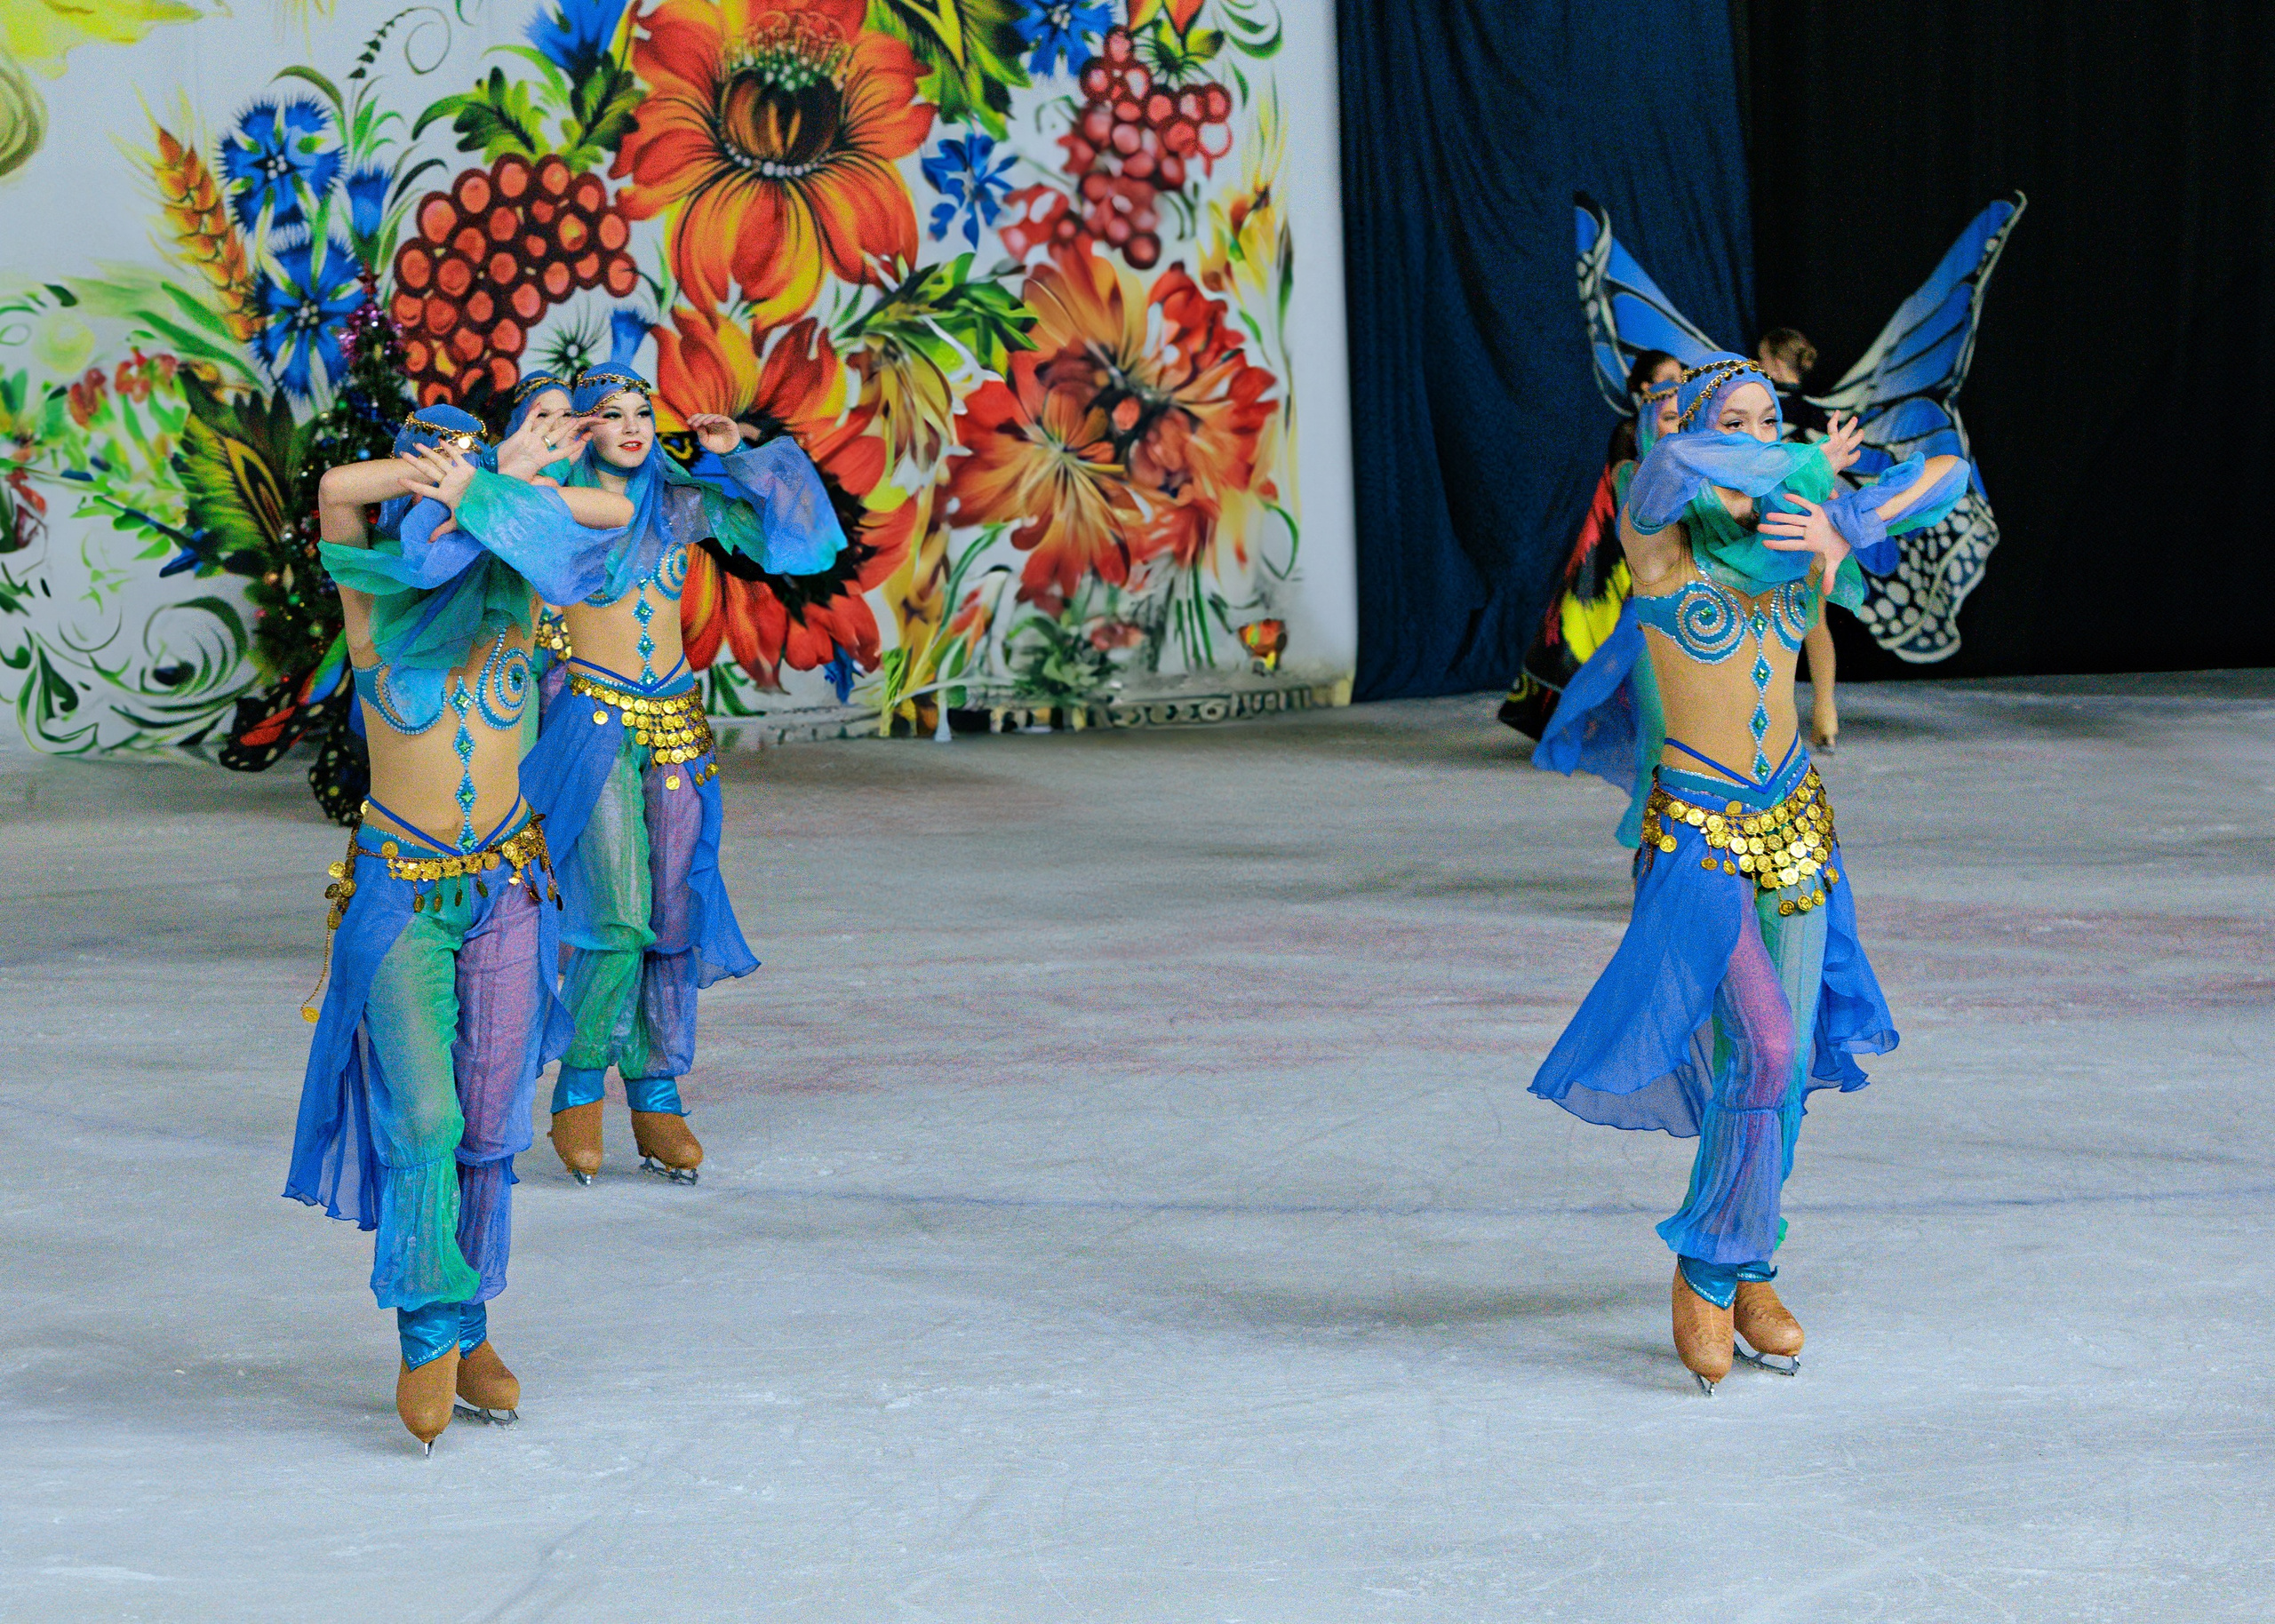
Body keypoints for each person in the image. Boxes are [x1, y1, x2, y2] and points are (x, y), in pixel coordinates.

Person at [1528, 353, 1967, 1393]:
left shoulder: (1793, 549)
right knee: (1762, 1045)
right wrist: (1796, 463)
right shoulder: (1663, 550)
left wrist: (1841, 525)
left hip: (1801, 831)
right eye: (1740, 420)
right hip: (1700, 841)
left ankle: (1749, 1260)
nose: (1757, 440)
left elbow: (1946, 471)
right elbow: (1675, 457)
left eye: (1770, 420)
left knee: (1789, 1060)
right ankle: (1703, 1267)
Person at [283, 404, 633, 1452]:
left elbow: (611, 507)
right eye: (444, 471)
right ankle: (429, 1325)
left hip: (506, 892)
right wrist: (436, 473)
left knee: (488, 1125)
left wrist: (501, 480)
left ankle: (471, 1319)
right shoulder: (374, 604)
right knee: (424, 1120)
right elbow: (339, 492)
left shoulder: (517, 597)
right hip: (398, 898)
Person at [523, 363, 844, 1186]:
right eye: (610, 414)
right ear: (580, 428)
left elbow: (792, 535)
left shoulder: (676, 502)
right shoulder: (552, 508)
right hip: (591, 727)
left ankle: (658, 1091)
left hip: (674, 726)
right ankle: (582, 1085)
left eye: (643, 412)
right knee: (617, 914)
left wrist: (740, 452)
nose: (632, 426)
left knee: (671, 915)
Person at [1500, 351, 1681, 740]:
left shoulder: (1683, 436)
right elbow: (1621, 484)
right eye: (1668, 378)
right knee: (1598, 629)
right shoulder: (1630, 433)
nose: (1677, 385)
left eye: (1681, 377)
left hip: (1658, 549)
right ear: (1646, 388)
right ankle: (1584, 721)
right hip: (1617, 551)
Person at [1756, 328, 1841, 752]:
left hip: (1770, 527)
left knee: (1767, 622)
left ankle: (1770, 719)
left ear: (1771, 362)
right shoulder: (1817, 417)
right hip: (1813, 526)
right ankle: (1826, 711)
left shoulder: (1764, 413)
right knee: (1814, 620)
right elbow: (1832, 479)